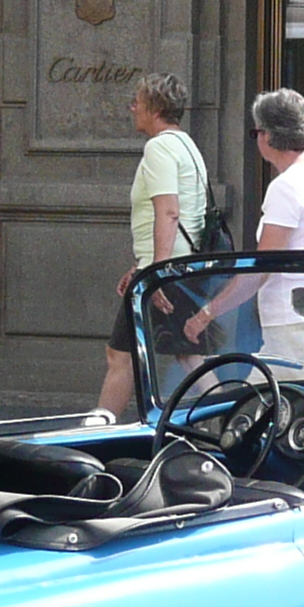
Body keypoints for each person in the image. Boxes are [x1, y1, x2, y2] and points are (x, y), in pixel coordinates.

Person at [185, 89, 304, 370]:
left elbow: (262, 268)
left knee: (277, 403)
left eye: (256, 132)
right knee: (269, 403)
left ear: (268, 135)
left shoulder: (285, 187)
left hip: (291, 323)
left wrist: (207, 313)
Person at [98, 71, 207, 420]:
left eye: (138, 103)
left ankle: (101, 429)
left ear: (154, 107)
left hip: (166, 271)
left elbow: (169, 211)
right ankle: (242, 415)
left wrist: (155, 271)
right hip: (178, 266)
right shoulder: (186, 145)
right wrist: (144, 265)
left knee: (124, 356)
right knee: (187, 356)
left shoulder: (159, 147)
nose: (133, 109)